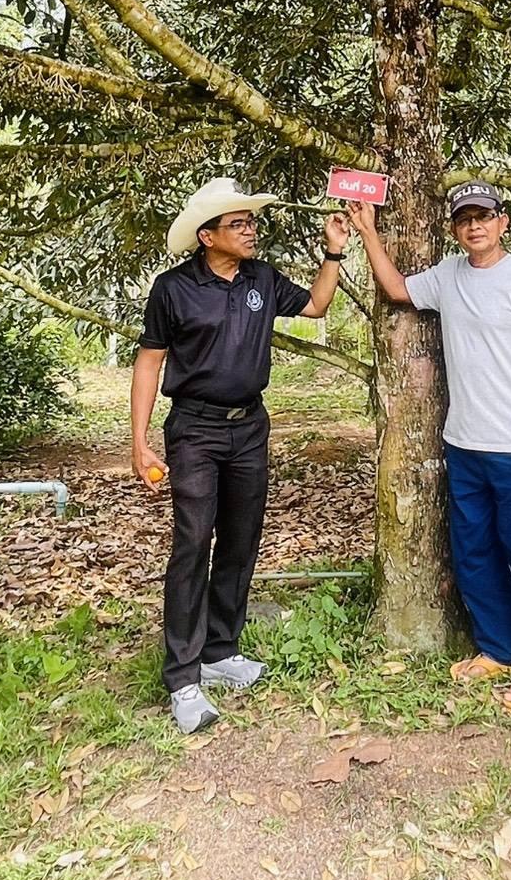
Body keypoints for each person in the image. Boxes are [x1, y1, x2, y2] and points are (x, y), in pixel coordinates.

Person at [132, 177, 349, 733]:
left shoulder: (261, 278)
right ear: (208, 236)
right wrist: (138, 440)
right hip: (195, 431)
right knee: (192, 544)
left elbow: (318, 306)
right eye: (239, 223)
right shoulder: (173, 289)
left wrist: (333, 250)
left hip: (250, 427)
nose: (251, 230)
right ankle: (183, 677)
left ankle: (220, 649)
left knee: (240, 538)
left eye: (252, 222)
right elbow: (150, 362)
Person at [348, 181, 511, 715]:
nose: (475, 226)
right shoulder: (448, 276)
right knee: (474, 553)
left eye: (484, 217)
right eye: (465, 219)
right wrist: (368, 232)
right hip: (463, 444)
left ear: (503, 222)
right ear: (454, 228)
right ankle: (497, 647)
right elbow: (398, 290)